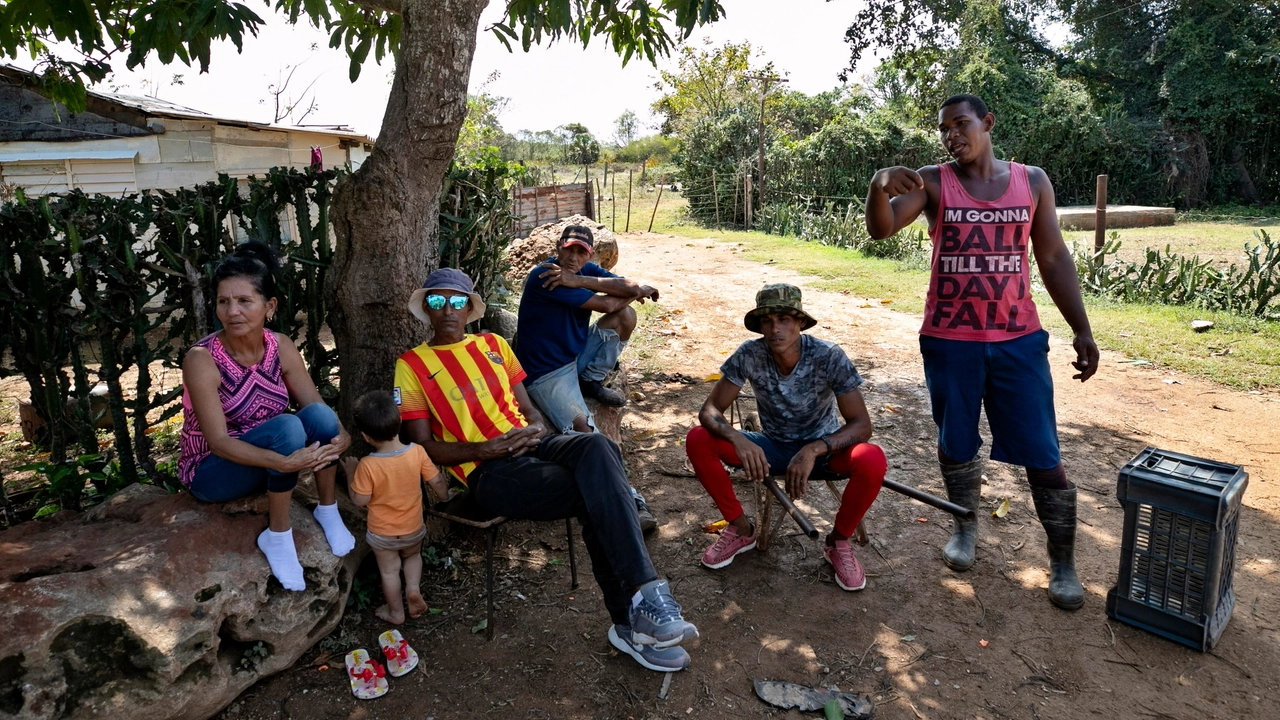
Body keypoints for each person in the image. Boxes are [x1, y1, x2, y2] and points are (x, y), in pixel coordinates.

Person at [394, 268, 697, 673]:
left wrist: (535, 428)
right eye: (436, 301)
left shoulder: (494, 344)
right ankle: (637, 614)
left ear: (469, 308)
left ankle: (637, 613)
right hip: (488, 471)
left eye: (456, 301)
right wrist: (485, 448)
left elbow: (530, 410)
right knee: (598, 491)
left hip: (533, 445)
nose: (446, 309)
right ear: (426, 309)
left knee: (597, 447)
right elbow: (421, 446)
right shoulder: (412, 364)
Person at [864, 93, 1099, 610]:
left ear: (988, 123)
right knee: (956, 441)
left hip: (1019, 341)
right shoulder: (932, 182)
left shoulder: (1032, 181)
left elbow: (1054, 255)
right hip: (951, 341)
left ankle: (1062, 563)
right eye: (944, 128)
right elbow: (881, 228)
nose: (952, 135)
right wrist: (879, 182)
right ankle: (964, 528)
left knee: (1042, 450)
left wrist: (1080, 329)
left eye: (961, 124)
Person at [685, 284, 888, 592]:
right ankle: (741, 528)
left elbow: (861, 425)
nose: (775, 328)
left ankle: (838, 541)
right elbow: (711, 410)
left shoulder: (828, 356)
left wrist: (814, 449)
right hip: (774, 446)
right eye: (767, 321)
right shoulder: (750, 353)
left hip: (824, 451)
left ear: (800, 323)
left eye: (784, 319)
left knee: (871, 458)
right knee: (700, 438)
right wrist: (739, 439)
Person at [179, 241, 354, 592]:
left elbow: (314, 405)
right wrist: (285, 463)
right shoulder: (202, 359)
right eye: (224, 301)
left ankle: (328, 509)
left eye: (245, 301)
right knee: (288, 426)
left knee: (319, 416)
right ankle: (278, 535)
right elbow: (219, 442)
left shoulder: (280, 346)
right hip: (214, 470)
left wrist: (342, 435)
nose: (233, 311)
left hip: (270, 461)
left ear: (269, 306)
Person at [516, 225, 662, 531]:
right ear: (558, 246)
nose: (572, 257)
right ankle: (630, 501)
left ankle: (590, 379)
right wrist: (634, 292)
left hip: (574, 356)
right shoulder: (545, 276)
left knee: (626, 318)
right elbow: (612, 300)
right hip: (547, 373)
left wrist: (579, 279)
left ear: (589, 255)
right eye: (568, 249)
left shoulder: (580, 270)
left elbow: (629, 285)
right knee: (588, 434)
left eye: (580, 252)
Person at [342, 390, 449, 625]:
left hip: (383, 534)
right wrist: (444, 497)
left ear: (365, 436)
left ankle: (396, 613)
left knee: (389, 572)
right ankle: (412, 588)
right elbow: (437, 481)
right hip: (413, 527)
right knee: (412, 557)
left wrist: (351, 472)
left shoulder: (368, 465)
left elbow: (360, 500)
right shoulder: (417, 452)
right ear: (400, 422)